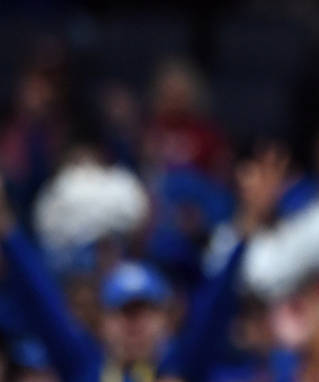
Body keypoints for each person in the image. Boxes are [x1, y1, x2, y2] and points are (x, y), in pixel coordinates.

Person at [0, 147, 288, 382]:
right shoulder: (85, 370)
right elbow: (41, 303)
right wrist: (6, 227)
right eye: (124, 312)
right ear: (102, 324)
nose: (133, 325)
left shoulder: (181, 370)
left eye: (144, 311)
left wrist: (247, 228)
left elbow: (215, 308)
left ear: (166, 321)